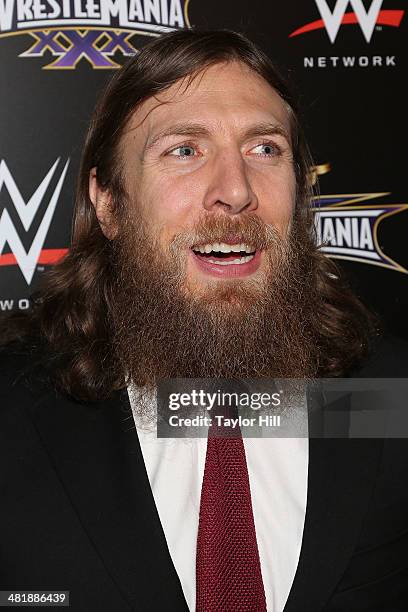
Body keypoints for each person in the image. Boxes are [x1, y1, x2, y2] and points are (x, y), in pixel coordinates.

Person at [1, 28, 407, 612]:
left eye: (264, 149)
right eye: (184, 150)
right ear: (110, 204)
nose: (236, 191)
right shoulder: (14, 411)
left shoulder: (387, 397)